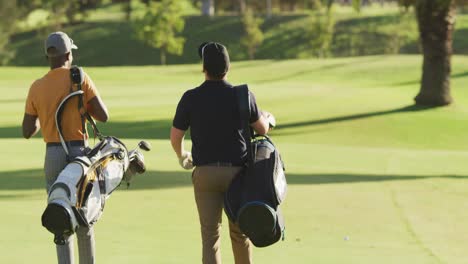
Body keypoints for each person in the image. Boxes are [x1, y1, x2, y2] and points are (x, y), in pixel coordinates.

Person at [170, 42, 272, 264]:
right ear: (228, 67)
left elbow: (176, 136)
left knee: (210, 237)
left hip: (205, 174)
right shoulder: (243, 95)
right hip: (238, 175)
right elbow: (262, 129)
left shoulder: (191, 97)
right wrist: (266, 116)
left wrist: (182, 156)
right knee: (240, 234)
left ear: (203, 68)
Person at [22, 31, 109, 264]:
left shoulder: (37, 86)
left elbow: (27, 130)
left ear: (48, 56)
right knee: (84, 216)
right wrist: (80, 105)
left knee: (60, 219)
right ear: (68, 54)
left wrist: (45, 114)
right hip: (79, 154)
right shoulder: (79, 77)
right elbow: (103, 115)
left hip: (52, 154)